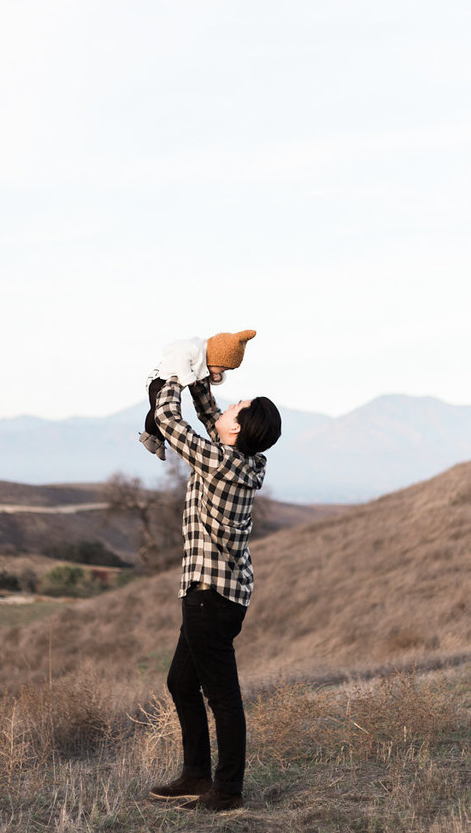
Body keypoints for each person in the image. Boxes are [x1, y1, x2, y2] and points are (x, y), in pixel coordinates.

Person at [148, 356, 282, 813]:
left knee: (221, 696)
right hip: (222, 594)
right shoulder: (244, 460)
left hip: (209, 595)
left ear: (235, 432)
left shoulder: (221, 463)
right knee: (181, 684)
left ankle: (225, 791)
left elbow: (169, 420)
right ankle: (195, 775)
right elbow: (210, 417)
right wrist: (200, 378)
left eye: (234, 408)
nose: (225, 409)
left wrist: (171, 375)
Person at [139, 330, 256, 460]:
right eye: (222, 369)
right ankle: (148, 435)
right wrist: (188, 378)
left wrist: (216, 377)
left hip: (173, 384)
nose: (222, 373)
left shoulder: (207, 358)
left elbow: (205, 373)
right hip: (159, 379)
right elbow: (180, 359)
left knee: (170, 413)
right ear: (216, 359)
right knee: (156, 410)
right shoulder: (193, 350)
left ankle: (160, 441)